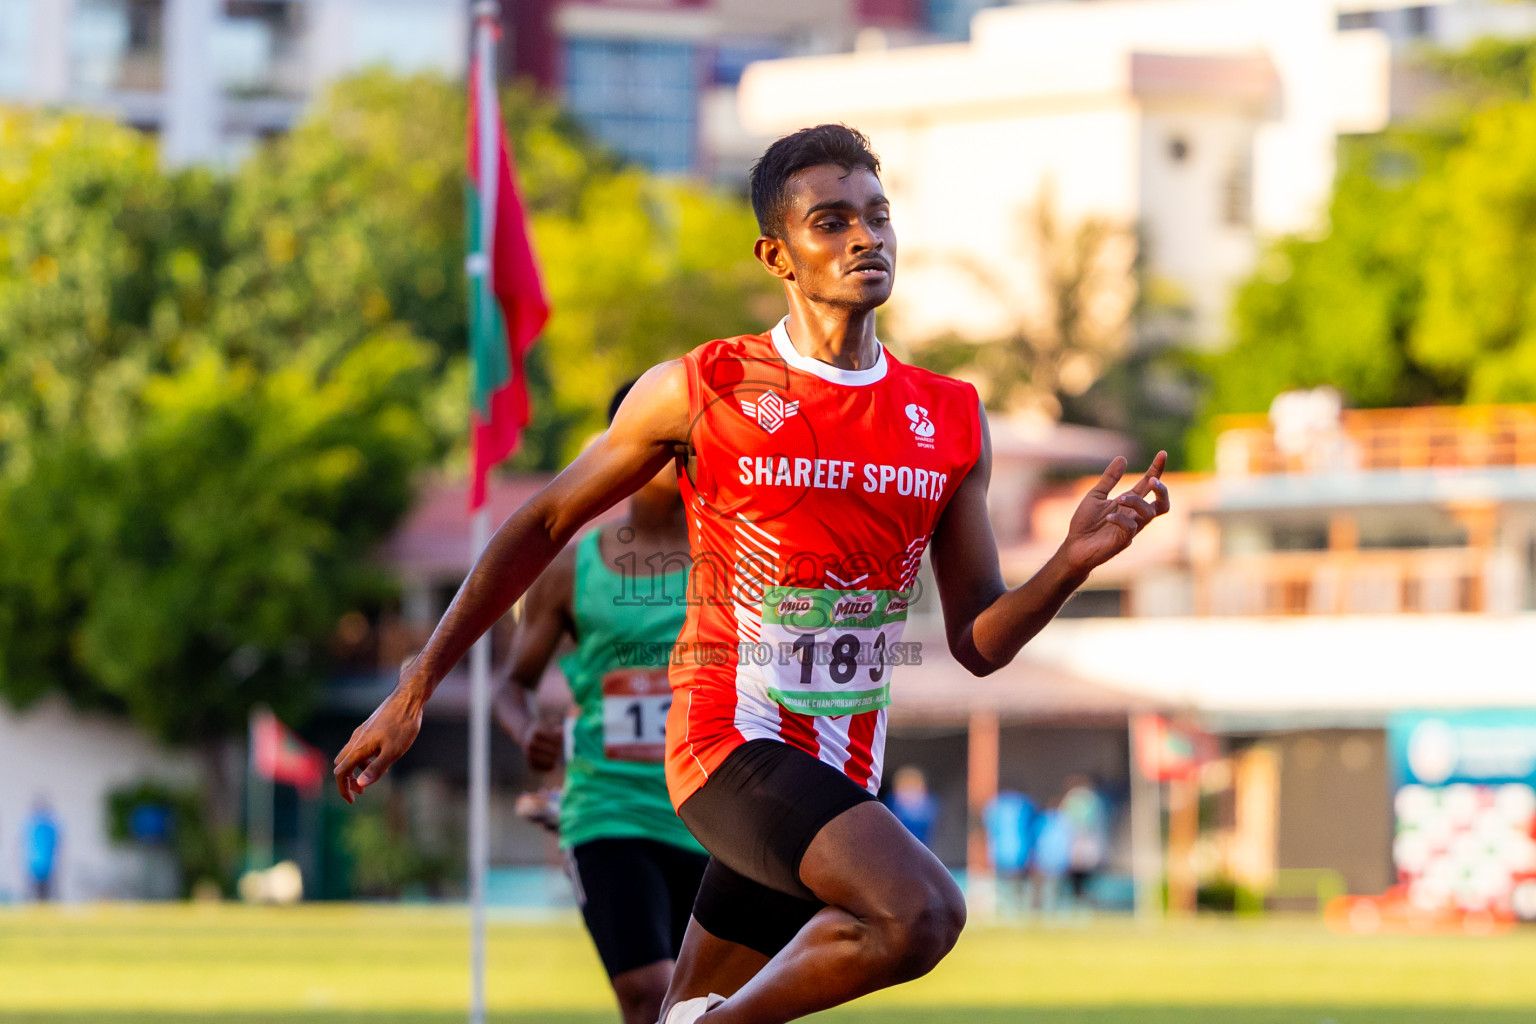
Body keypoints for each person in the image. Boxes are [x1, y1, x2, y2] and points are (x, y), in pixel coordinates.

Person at [335, 124, 1170, 1024]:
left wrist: (1072, 564)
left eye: (879, 217)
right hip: (726, 745)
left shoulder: (950, 417)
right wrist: (416, 685)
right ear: (778, 254)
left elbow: (978, 642)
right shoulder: (707, 387)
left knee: (681, 1008)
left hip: (841, 764)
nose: (866, 238)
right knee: (921, 914)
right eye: (833, 221)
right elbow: (541, 522)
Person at [494, 381, 707, 1024]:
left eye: (685, 444)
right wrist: (525, 730)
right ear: (624, 447)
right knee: (649, 996)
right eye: (659, 441)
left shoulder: (730, 559)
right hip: (610, 808)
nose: (674, 458)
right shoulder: (571, 566)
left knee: (705, 1006)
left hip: (712, 813)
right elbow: (512, 685)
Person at [884, 765, 939, 849]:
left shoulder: (930, 802)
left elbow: (929, 824)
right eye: (905, 786)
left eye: (913, 785)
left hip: (922, 847)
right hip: (896, 847)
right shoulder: (892, 800)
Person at [23, 796, 61, 902]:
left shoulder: (51, 826)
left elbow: (57, 847)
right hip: (33, 866)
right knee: (31, 894)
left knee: (47, 894)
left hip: (49, 867)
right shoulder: (31, 826)